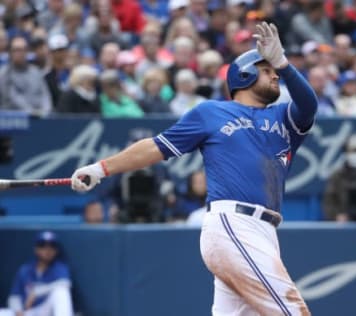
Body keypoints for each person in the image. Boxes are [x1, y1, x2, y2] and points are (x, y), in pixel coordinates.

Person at [70, 22, 315, 315]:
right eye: (267, 69)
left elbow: (308, 103)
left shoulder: (284, 117)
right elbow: (156, 146)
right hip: (233, 225)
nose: (275, 74)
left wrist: (284, 64)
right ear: (245, 74)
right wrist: (101, 168)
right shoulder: (210, 112)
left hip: (265, 231)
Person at [4, 231, 74, 316]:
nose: (47, 250)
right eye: (43, 246)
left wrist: (37, 292)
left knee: (61, 292)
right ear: (36, 249)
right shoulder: (25, 269)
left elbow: (65, 284)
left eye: (52, 246)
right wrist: (18, 311)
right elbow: (14, 296)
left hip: (46, 311)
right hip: (27, 312)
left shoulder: (59, 267)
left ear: (56, 250)